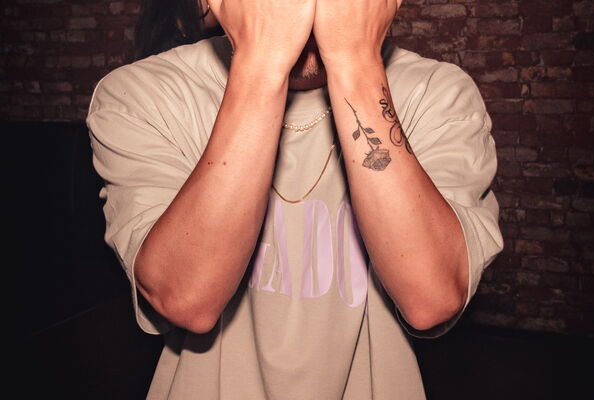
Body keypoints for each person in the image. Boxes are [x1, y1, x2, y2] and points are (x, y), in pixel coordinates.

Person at [86, 0, 504, 398]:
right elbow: (187, 298)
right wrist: (261, 65)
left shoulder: (436, 93)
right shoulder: (142, 94)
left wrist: (355, 65)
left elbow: (430, 298)